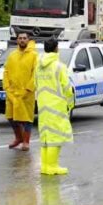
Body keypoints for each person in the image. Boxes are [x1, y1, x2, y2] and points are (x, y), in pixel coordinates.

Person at [35, 38, 75, 175]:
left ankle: (45, 166)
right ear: (56, 48)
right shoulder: (59, 66)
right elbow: (67, 88)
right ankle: (52, 166)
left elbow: (35, 84)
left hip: (42, 104)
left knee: (45, 136)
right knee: (56, 137)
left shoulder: (38, 66)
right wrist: (70, 102)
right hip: (56, 105)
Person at [3, 32, 38, 151]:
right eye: (20, 38)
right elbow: (6, 71)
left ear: (29, 40)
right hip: (12, 93)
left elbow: (35, 74)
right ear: (17, 40)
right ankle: (18, 138)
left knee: (26, 118)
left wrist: (29, 88)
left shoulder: (34, 55)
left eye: (24, 38)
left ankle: (26, 142)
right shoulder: (12, 55)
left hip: (26, 93)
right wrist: (6, 87)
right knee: (11, 117)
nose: (22, 40)